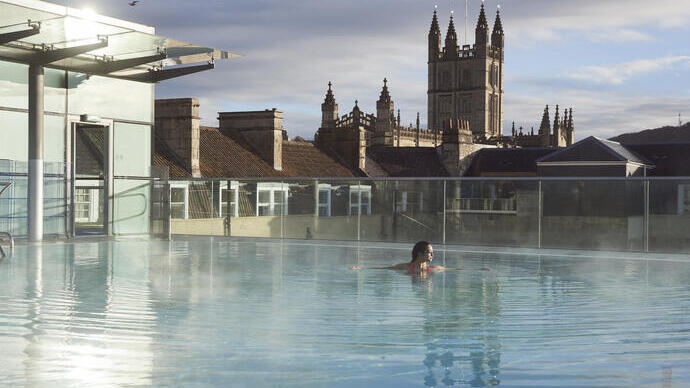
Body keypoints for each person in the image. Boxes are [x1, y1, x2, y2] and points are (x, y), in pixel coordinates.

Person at [349, 241, 490, 274]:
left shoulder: (434, 269)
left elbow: (455, 269)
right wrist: (361, 267)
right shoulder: (405, 266)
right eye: (430, 252)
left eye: (432, 252)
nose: (432, 255)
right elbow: (385, 268)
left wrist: (479, 269)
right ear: (419, 254)